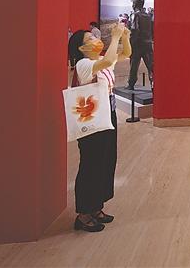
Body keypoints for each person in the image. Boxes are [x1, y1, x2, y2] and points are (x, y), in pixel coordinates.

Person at [67, 21, 131, 232]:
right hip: (91, 118)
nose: (95, 40)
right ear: (81, 48)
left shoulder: (101, 61)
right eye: (90, 38)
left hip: (107, 115)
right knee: (91, 163)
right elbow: (111, 59)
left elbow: (126, 54)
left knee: (106, 160)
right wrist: (115, 37)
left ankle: (96, 206)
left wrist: (125, 37)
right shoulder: (83, 65)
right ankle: (83, 214)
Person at [126, 0, 153, 90]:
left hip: (137, 44)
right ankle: (153, 84)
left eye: (133, 3)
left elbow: (134, 29)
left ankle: (131, 84)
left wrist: (131, 44)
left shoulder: (134, 15)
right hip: (148, 44)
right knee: (151, 66)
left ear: (135, 4)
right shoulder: (148, 16)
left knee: (134, 65)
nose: (132, 5)